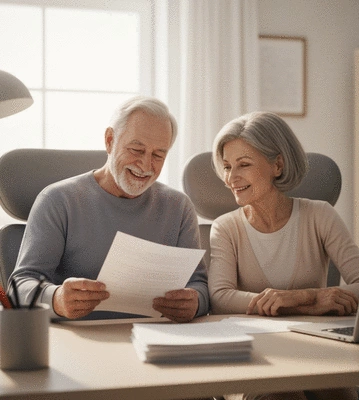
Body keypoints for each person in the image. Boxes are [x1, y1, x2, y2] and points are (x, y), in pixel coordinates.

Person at [9, 95, 209, 323]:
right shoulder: (57, 201)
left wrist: (195, 302)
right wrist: (55, 298)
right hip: (80, 338)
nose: (145, 165)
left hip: (157, 337)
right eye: (136, 149)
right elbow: (18, 288)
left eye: (158, 155)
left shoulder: (179, 207)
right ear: (109, 140)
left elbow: (199, 285)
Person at [208, 111, 359, 400]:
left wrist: (298, 297)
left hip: (318, 350)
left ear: (277, 165)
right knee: (282, 394)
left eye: (244, 164)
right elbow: (220, 298)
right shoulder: (226, 228)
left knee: (338, 392)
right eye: (228, 166)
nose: (232, 177)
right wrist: (310, 301)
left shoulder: (320, 215)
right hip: (254, 356)